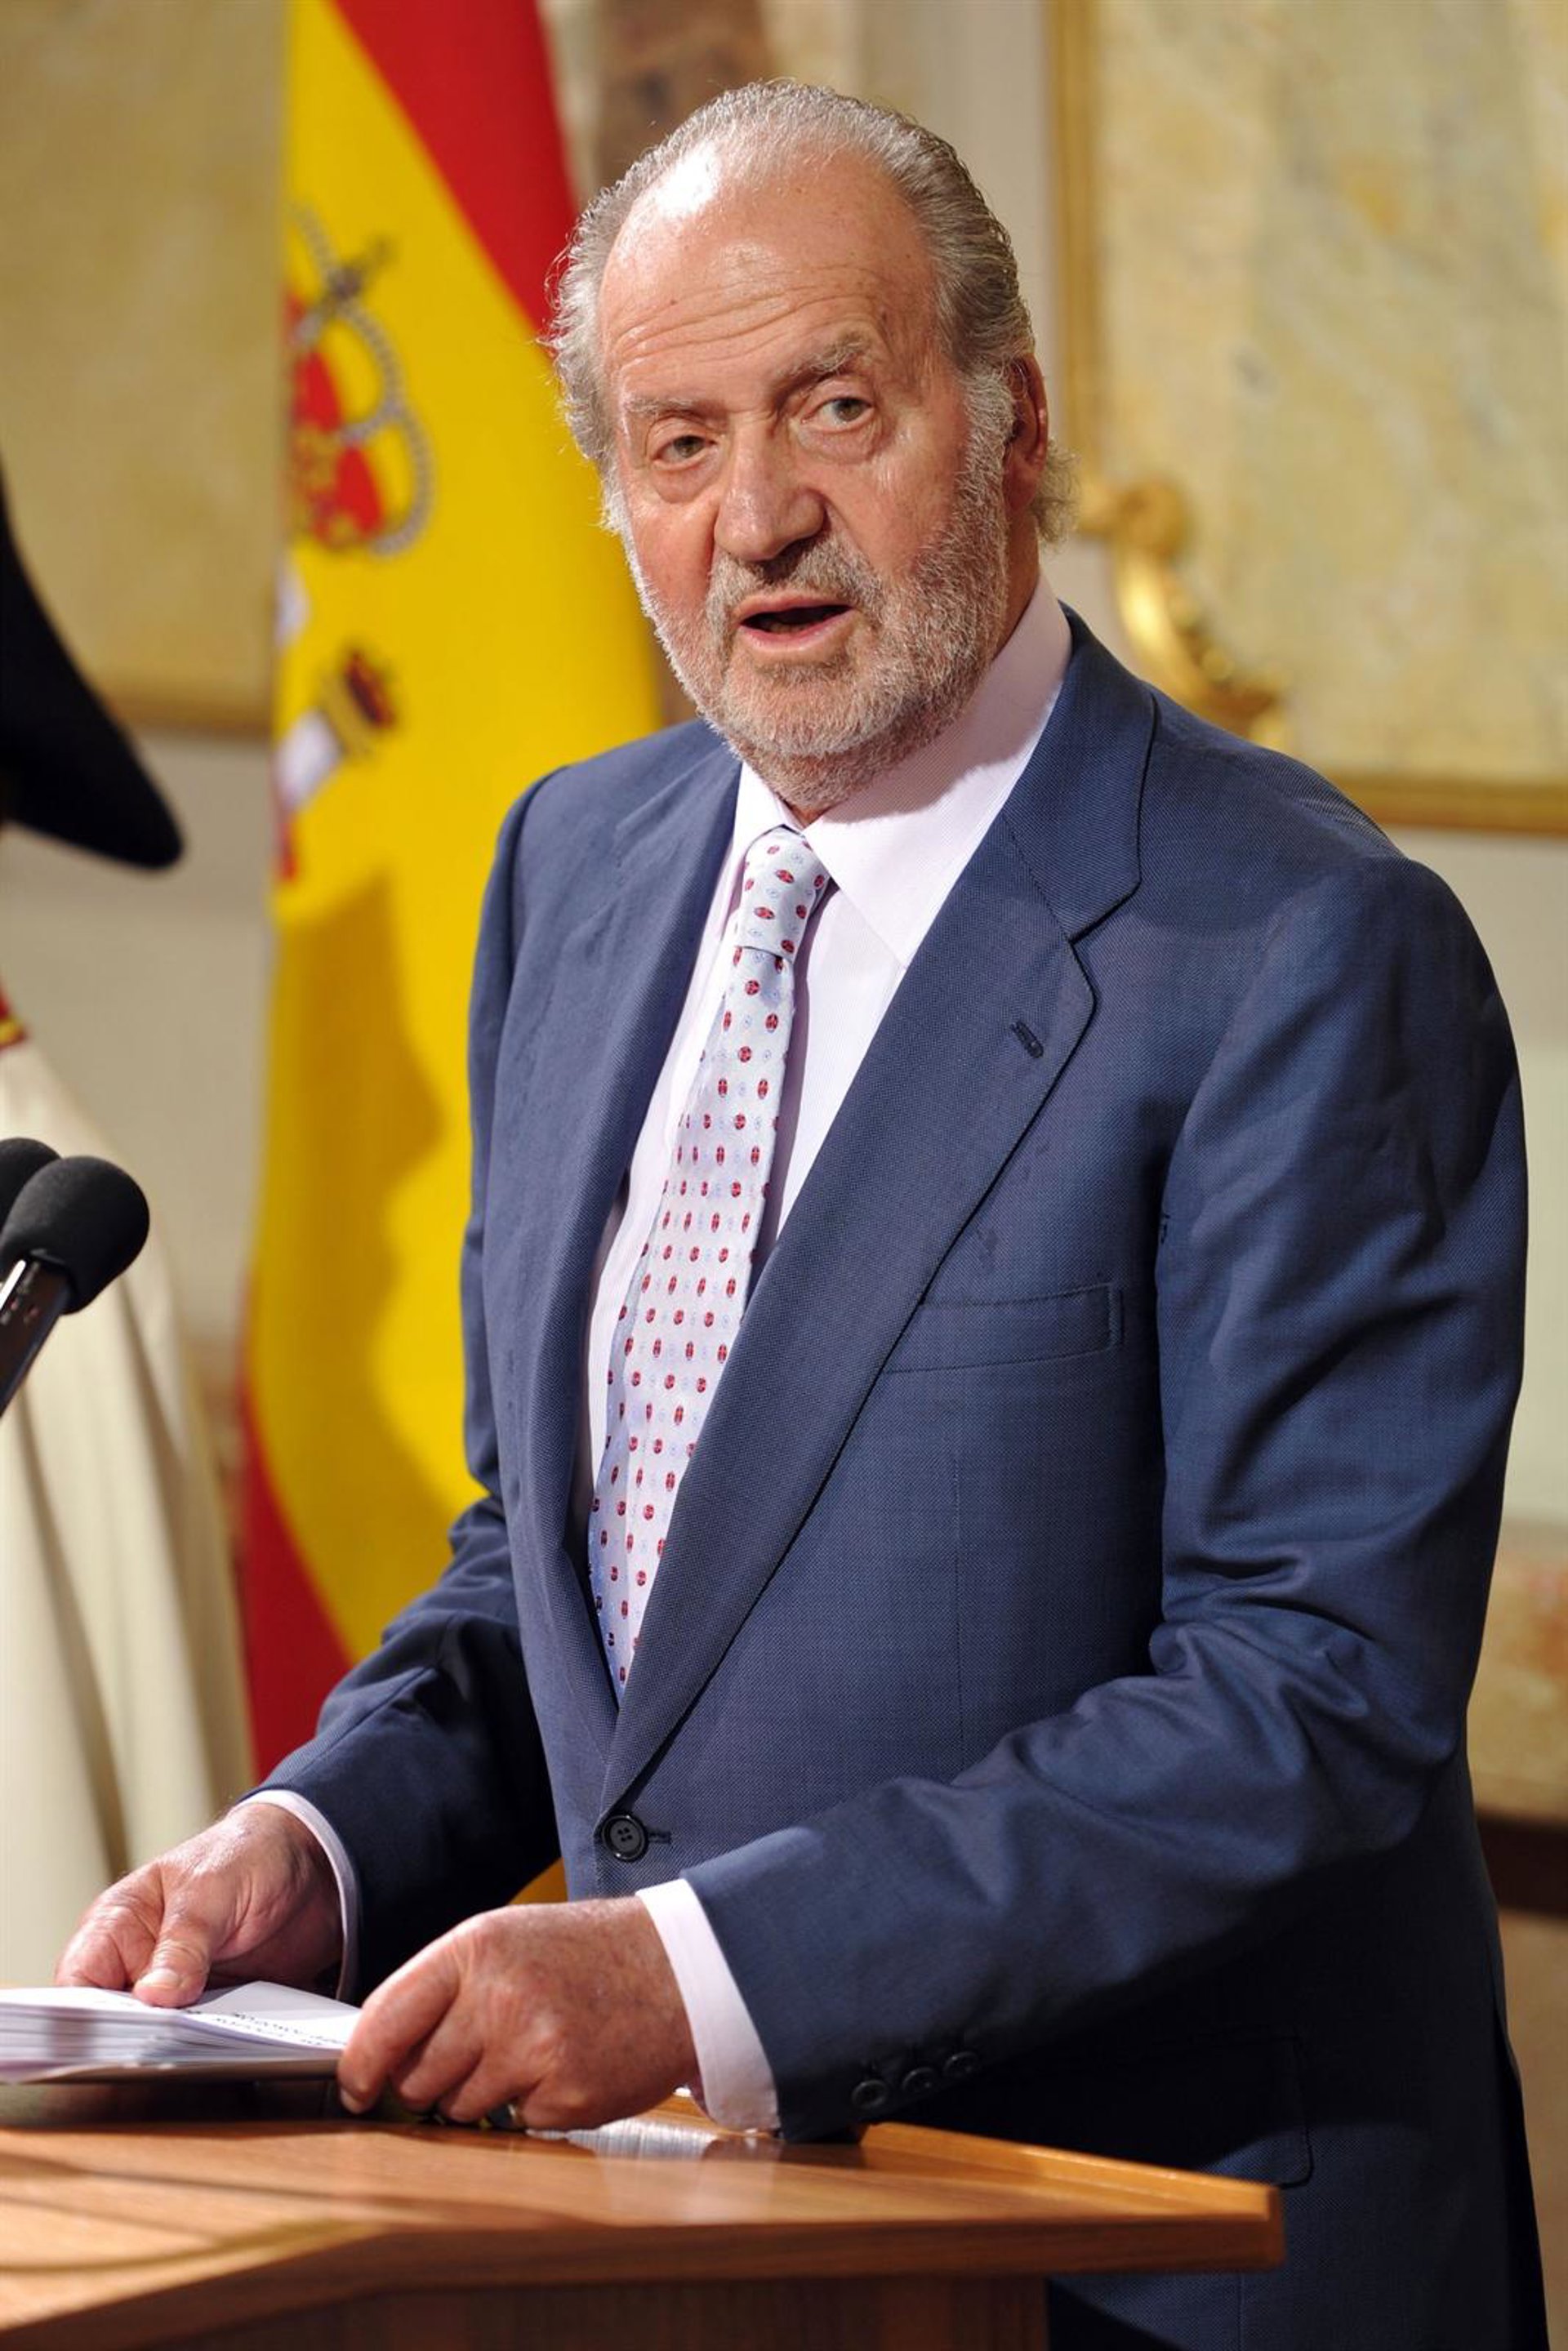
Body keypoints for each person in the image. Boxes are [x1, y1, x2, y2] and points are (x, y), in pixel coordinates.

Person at [60, 85, 1544, 2350]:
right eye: (676, 443)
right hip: (698, 2266)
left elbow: (1307, 1694)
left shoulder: (1299, 945)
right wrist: (321, 1848)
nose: (757, 514)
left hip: (1150, 2261)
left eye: (834, 407)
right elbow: (562, 1576)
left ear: (1012, 418)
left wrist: (696, 1975)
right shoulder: (576, 869)